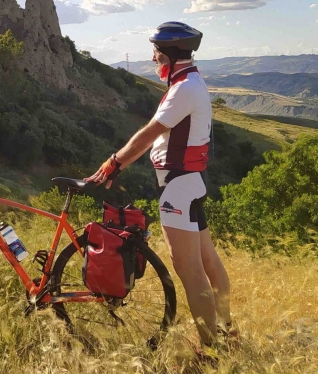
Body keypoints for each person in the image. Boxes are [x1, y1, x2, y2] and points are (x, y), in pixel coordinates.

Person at [85, 21, 232, 350]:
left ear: (169, 55)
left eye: (156, 53)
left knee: (189, 268)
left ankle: (212, 350)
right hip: (190, 181)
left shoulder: (184, 89)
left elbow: (149, 134)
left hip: (178, 185)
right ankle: (227, 333)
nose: (153, 59)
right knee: (207, 260)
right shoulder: (190, 82)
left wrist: (114, 163)